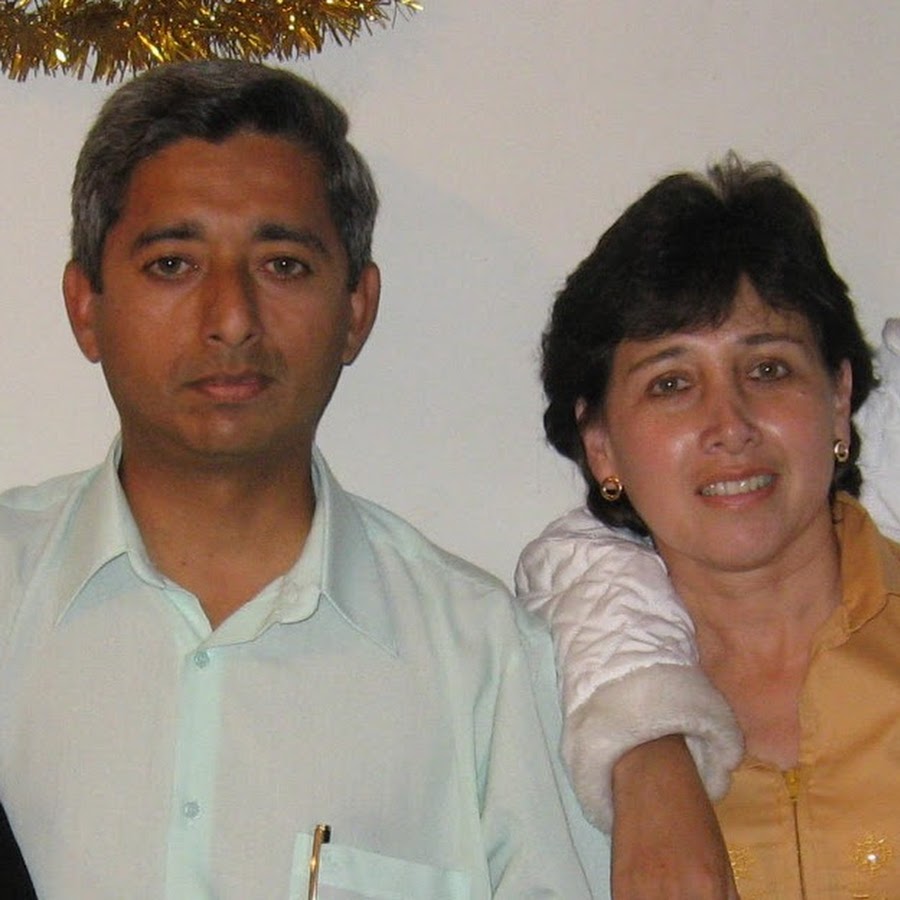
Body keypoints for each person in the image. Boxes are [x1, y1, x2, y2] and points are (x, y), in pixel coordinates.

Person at [0, 59, 616, 898]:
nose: (231, 320)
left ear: (356, 309)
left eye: (282, 264)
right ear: (86, 306)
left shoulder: (481, 658)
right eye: (173, 264)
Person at [517, 154, 900, 898]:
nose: (730, 424)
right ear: (600, 444)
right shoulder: (526, 704)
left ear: (838, 397)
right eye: (671, 383)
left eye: (768, 369)